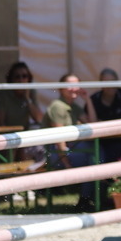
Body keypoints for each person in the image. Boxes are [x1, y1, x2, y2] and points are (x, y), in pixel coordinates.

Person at [45, 73, 99, 211]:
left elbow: (93, 125)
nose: (74, 88)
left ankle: (90, 199)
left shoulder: (74, 106)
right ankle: (87, 199)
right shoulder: (58, 106)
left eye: (76, 85)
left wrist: (88, 100)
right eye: (69, 85)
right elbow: (59, 138)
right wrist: (67, 164)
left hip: (70, 150)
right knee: (94, 158)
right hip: (54, 154)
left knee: (97, 155)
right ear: (61, 88)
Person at [0, 61, 45, 166]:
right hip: (7, 136)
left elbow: (38, 118)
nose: (21, 80)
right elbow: (0, 123)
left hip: (24, 135)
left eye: (24, 76)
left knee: (34, 148)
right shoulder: (4, 94)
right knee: (17, 148)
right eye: (17, 77)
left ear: (29, 79)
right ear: (11, 79)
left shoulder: (31, 92)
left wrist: (27, 99)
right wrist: (12, 141)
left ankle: (26, 173)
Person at [90, 68, 121, 164]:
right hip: (102, 141)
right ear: (100, 84)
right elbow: (92, 124)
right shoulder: (94, 99)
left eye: (113, 81)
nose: (110, 85)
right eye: (106, 82)